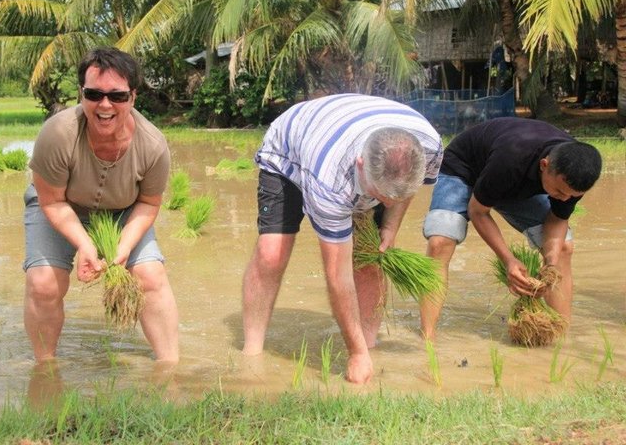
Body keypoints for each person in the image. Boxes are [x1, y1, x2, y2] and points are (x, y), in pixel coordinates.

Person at [241, 93, 443, 384]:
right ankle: (252, 352)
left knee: (369, 258)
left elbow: (401, 191)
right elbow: (338, 275)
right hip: (290, 152)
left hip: (351, 133)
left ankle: (370, 345)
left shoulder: (430, 147)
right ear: (360, 164)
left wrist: (390, 227)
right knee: (272, 253)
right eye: (380, 196)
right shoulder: (329, 179)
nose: (386, 204)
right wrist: (354, 353)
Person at [23, 47, 179, 363]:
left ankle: (169, 366)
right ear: (81, 94)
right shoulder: (57, 134)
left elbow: (149, 203)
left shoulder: (152, 145)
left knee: (151, 277)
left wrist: (123, 248)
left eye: (117, 96)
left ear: (133, 97)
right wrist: (84, 244)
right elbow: (50, 200)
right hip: (62, 206)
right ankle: (45, 370)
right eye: (94, 94)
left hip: (124, 211)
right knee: (43, 284)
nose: (105, 105)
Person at [420, 117, 602, 341]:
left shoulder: (574, 176)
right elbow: (478, 211)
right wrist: (509, 261)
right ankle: (427, 338)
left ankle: (559, 335)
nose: (564, 199)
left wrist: (550, 267)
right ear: (544, 165)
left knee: (563, 247)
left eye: (571, 196)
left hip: (510, 184)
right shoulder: (513, 157)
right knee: (441, 242)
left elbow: (557, 219)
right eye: (559, 192)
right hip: (464, 170)